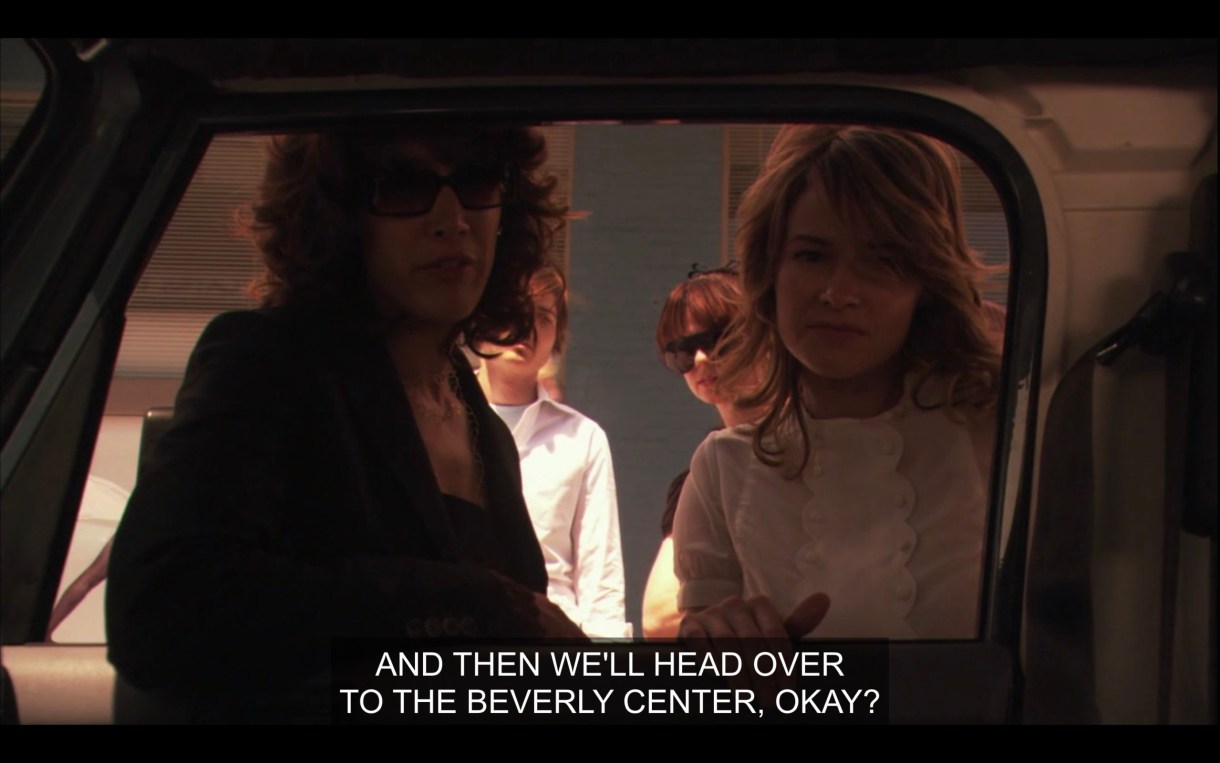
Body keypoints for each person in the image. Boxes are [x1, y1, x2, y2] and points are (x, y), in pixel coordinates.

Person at [105, 123, 584, 721]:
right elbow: (160, 610)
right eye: (405, 185)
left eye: (475, 181)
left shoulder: (480, 421)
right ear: (341, 214)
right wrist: (478, 600)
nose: (451, 218)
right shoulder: (270, 359)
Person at [675, 125, 1003, 643]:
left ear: (925, 283)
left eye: (882, 261)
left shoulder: (998, 439)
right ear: (770, 270)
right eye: (812, 255)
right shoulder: (722, 471)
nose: (839, 292)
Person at [477, 265, 630, 639]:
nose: (526, 328)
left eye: (543, 317)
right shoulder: (438, 421)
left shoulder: (582, 438)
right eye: (511, 308)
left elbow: (601, 579)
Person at [641, 265, 760, 638]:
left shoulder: (819, 440)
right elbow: (658, 619)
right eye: (682, 351)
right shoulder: (703, 473)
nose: (702, 360)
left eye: (720, 339)